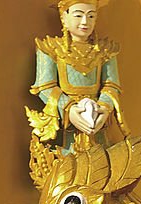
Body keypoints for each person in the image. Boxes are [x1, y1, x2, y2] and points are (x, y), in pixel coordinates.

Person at [27, 0, 128, 152]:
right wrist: (69, 109)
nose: (85, 22)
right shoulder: (51, 48)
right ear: (63, 17)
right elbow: (45, 86)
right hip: (66, 127)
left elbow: (112, 85)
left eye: (91, 16)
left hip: (96, 120)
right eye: (78, 15)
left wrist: (104, 108)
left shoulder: (105, 50)